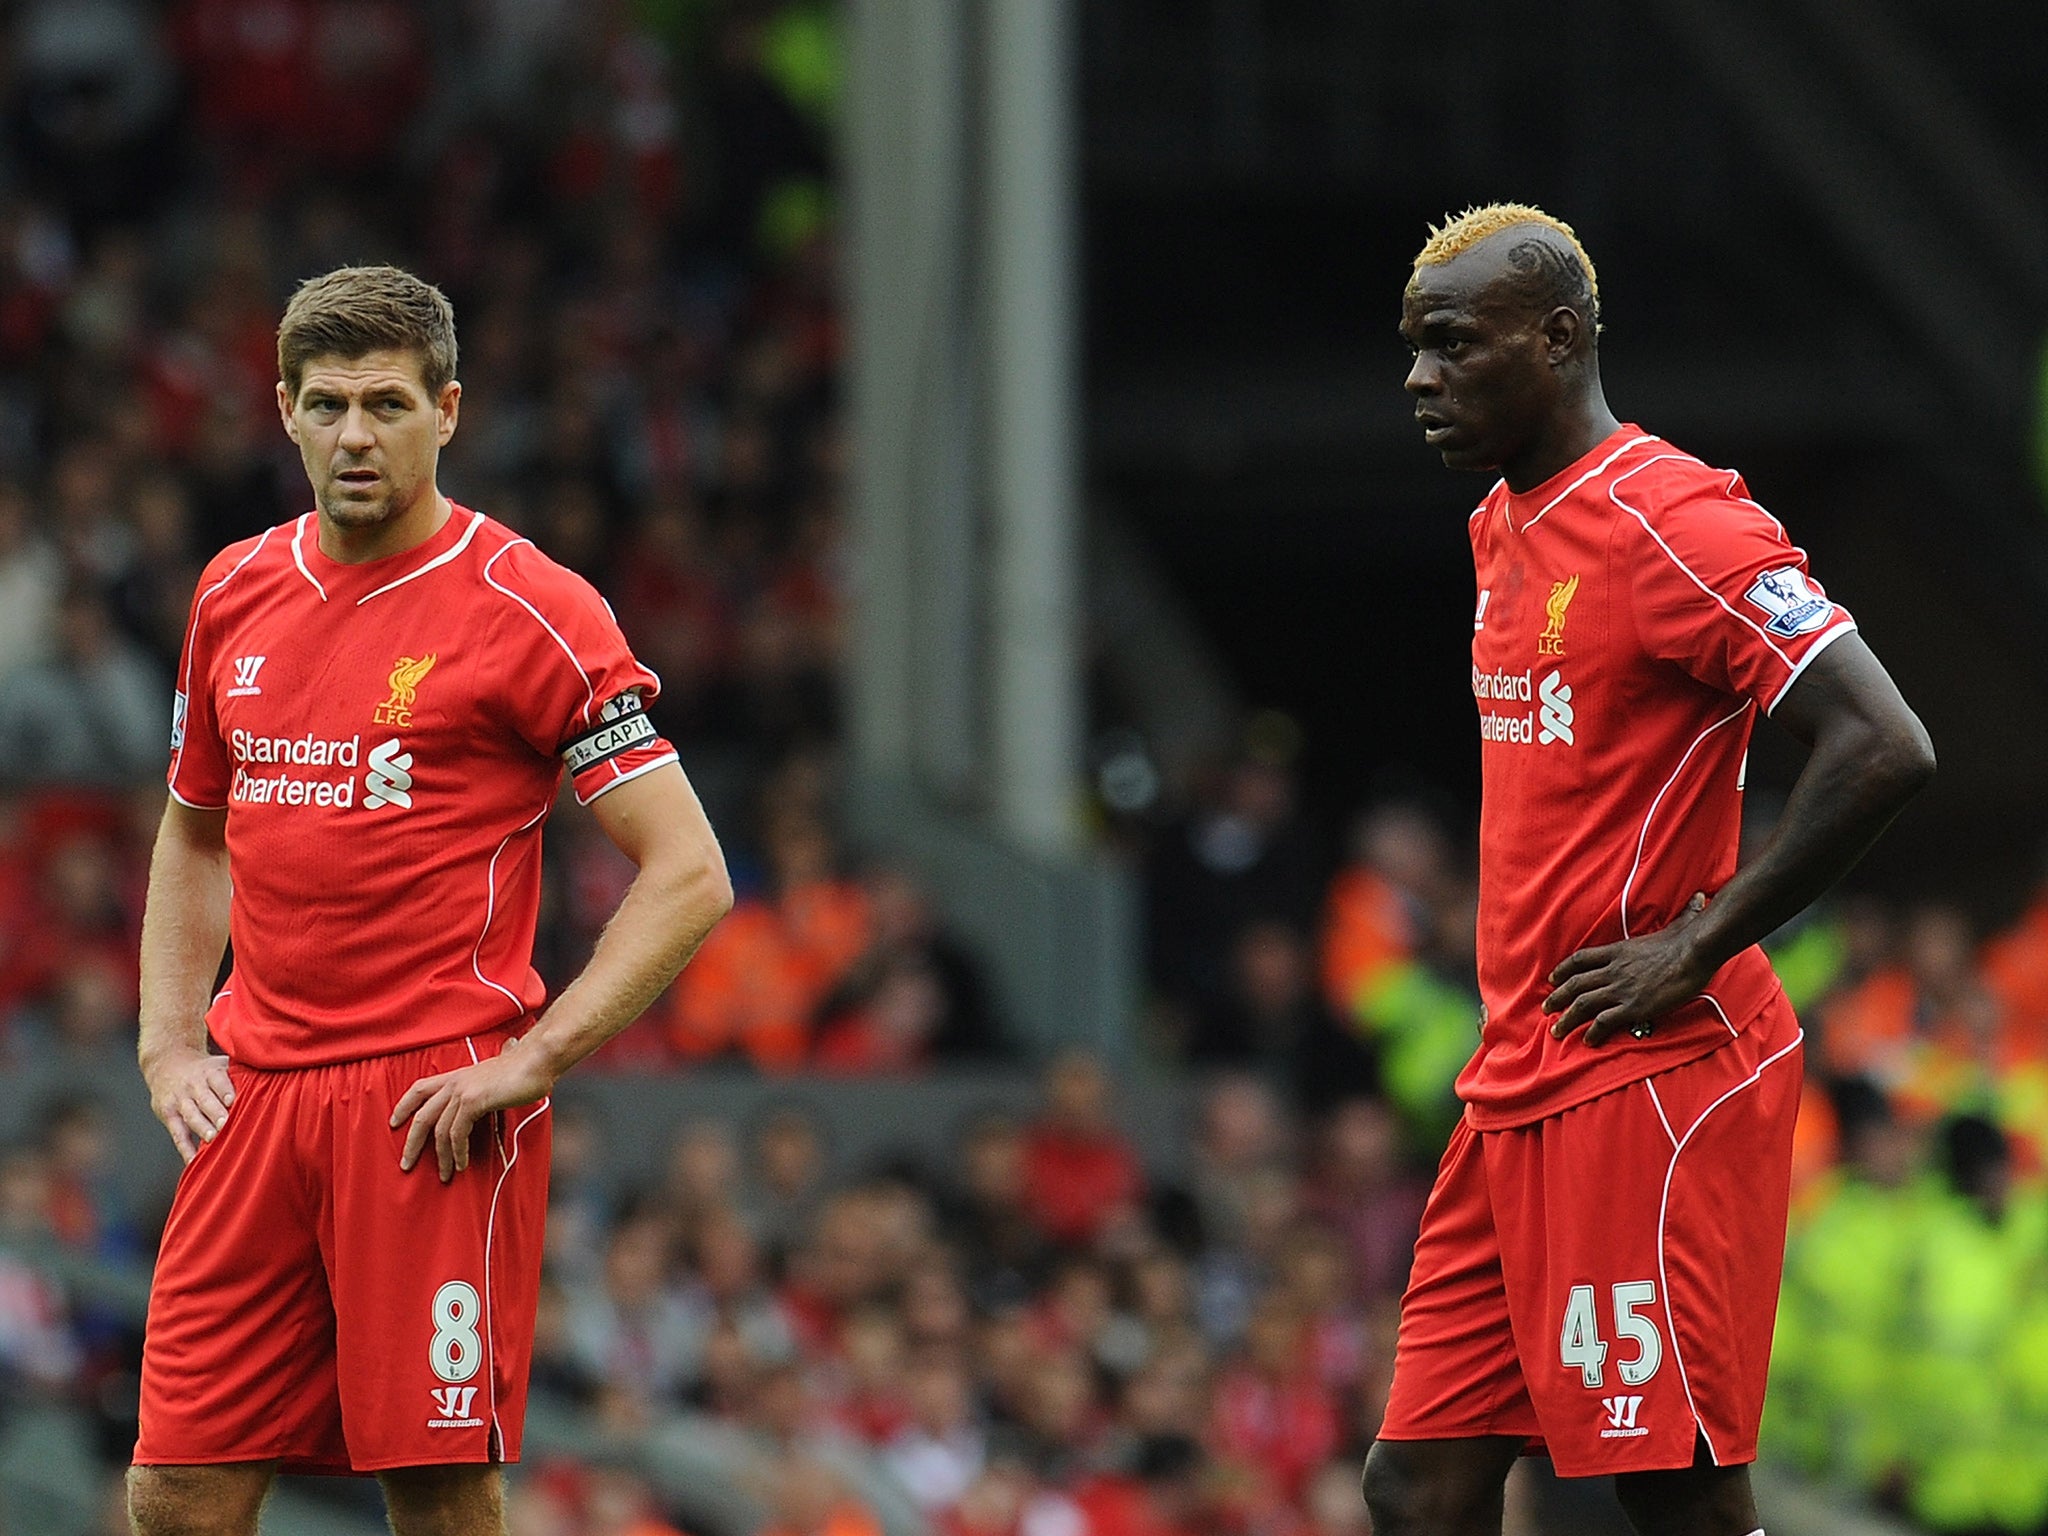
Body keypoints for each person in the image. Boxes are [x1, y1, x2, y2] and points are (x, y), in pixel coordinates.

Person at [127, 266, 734, 1536]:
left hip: (428, 1105)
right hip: (253, 1098)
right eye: (329, 403)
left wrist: (539, 1056)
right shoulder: (231, 588)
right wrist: (169, 1037)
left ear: (448, 412)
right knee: (176, 1491)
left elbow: (689, 872)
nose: (357, 434)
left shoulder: (535, 612)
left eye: (390, 403)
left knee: (441, 1493)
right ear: (283, 409)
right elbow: (193, 833)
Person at [1363, 205, 1935, 1536]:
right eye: (1412, 349)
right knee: (1418, 1482)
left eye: (1452, 346)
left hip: (1652, 1073)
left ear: (1557, 339)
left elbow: (1884, 742)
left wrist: (1701, 941)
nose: (1418, 379)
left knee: (1666, 1483)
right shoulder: (1504, 527)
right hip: (1520, 1074)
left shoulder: (1670, 522)